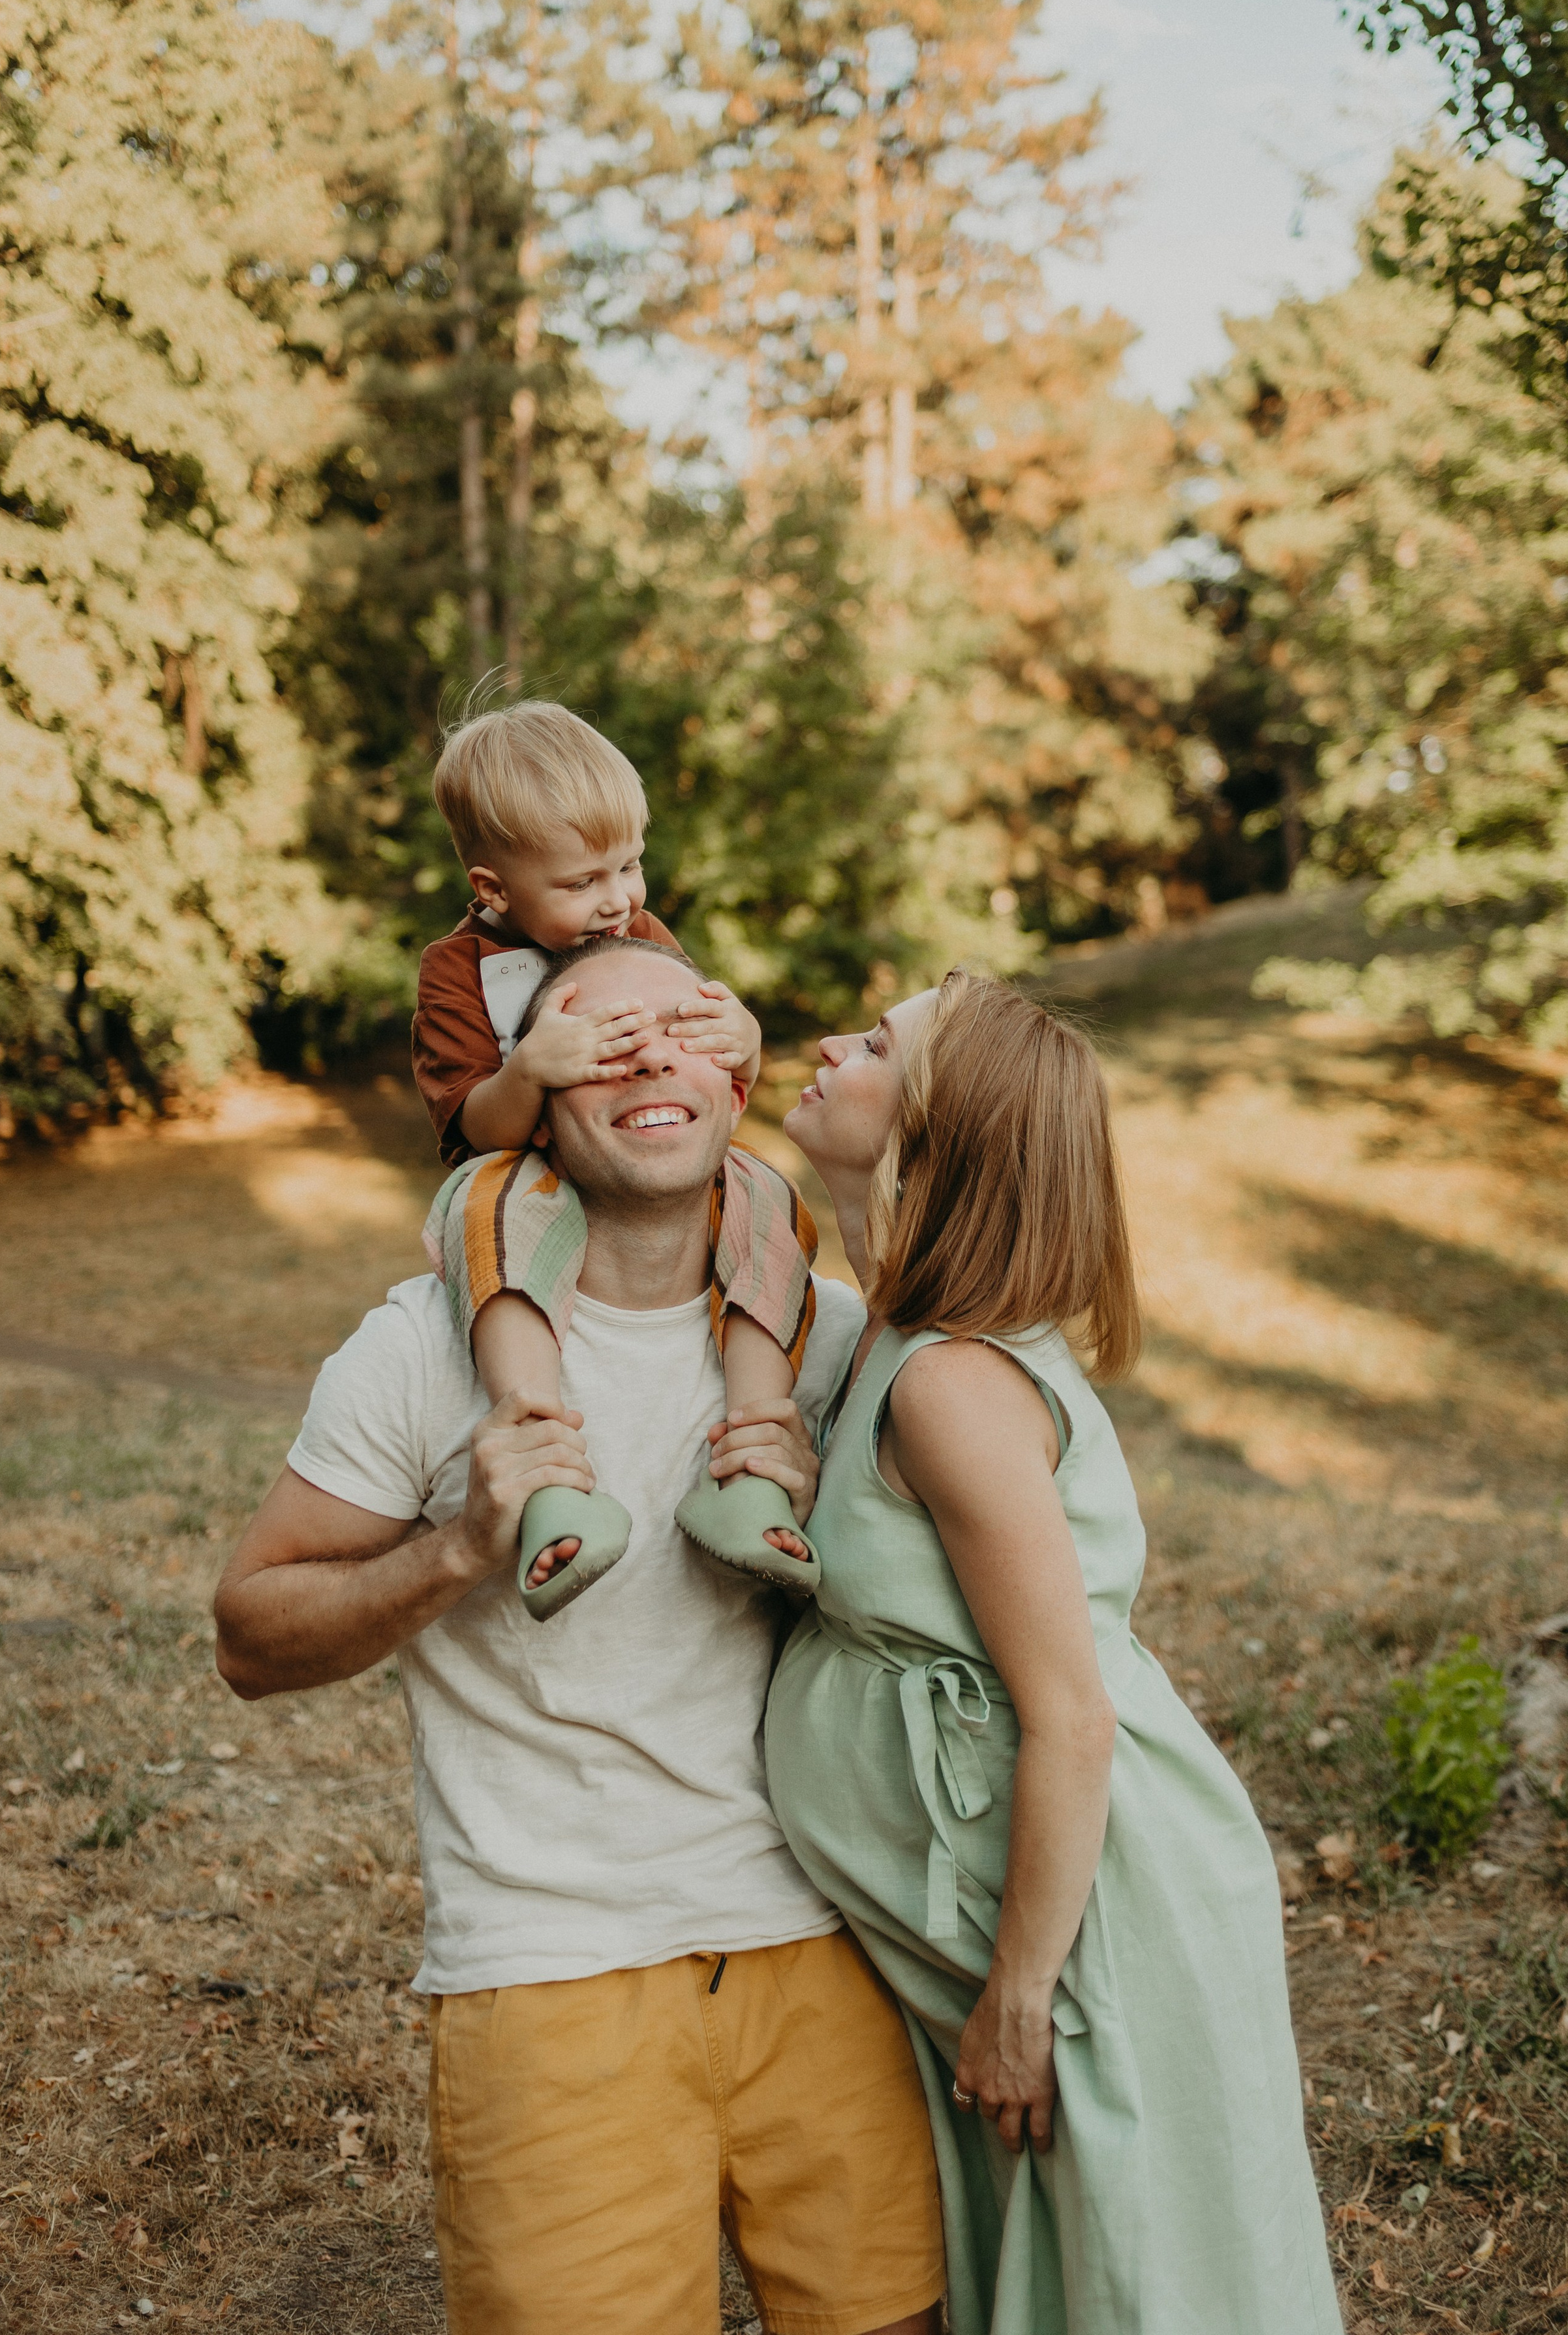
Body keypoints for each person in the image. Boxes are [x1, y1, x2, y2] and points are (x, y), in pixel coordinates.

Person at [213, 936, 946, 2335]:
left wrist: (834, 1525)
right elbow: (250, 1634)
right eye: (598, 1038)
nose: (648, 1053)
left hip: (831, 1942)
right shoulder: (417, 1351)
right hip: (550, 1971)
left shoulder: (839, 1342)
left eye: (681, 1026)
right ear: (533, 1105)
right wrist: (454, 1549)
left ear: (736, 1079)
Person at [766, 971, 1344, 2335]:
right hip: (1002, 1895)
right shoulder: (882, 1329)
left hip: (1085, 1914)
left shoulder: (953, 1383)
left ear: (933, 1135)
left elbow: (1070, 1715)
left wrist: (1022, 1998)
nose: (829, 1048)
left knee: (1137, 2278)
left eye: (873, 1046)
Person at [412, 702, 820, 1613]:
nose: (618, 900)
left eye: (630, 865)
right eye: (583, 880)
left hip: (647, 1162)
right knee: (483, 1198)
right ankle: (548, 1468)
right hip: (525, 1175)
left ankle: (752, 1465)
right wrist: (529, 1071)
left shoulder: (639, 934)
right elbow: (472, 1124)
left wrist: (746, 1043)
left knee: (764, 1191)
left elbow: (709, 1057)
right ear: (493, 888)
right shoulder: (456, 974)